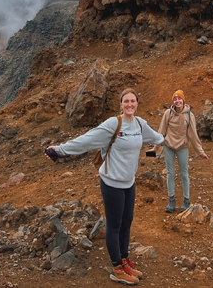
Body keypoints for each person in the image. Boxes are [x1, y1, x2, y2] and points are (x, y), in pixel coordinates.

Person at [47, 88, 163, 286]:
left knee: (127, 222)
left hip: (129, 183)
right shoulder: (113, 124)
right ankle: (117, 268)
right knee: (114, 224)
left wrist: (168, 141)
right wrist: (59, 150)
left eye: (133, 101)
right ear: (121, 104)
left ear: (137, 103)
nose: (129, 104)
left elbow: (158, 137)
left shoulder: (140, 125)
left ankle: (125, 261)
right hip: (111, 183)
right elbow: (86, 140)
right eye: (126, 101)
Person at [154, 89, 208, 214]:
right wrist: (155, 149)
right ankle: (171, 200)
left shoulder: (189, 115)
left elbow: (193, 135)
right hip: (168, 146)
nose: (177, 101)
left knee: (184, 174)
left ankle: (186, 200)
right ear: (173, 101)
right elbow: (161, 132)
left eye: (179, 98)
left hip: (182, 147)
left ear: (183, 100)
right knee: (170, 173)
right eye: (175, 99)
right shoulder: (168, 113)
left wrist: (201, 153)